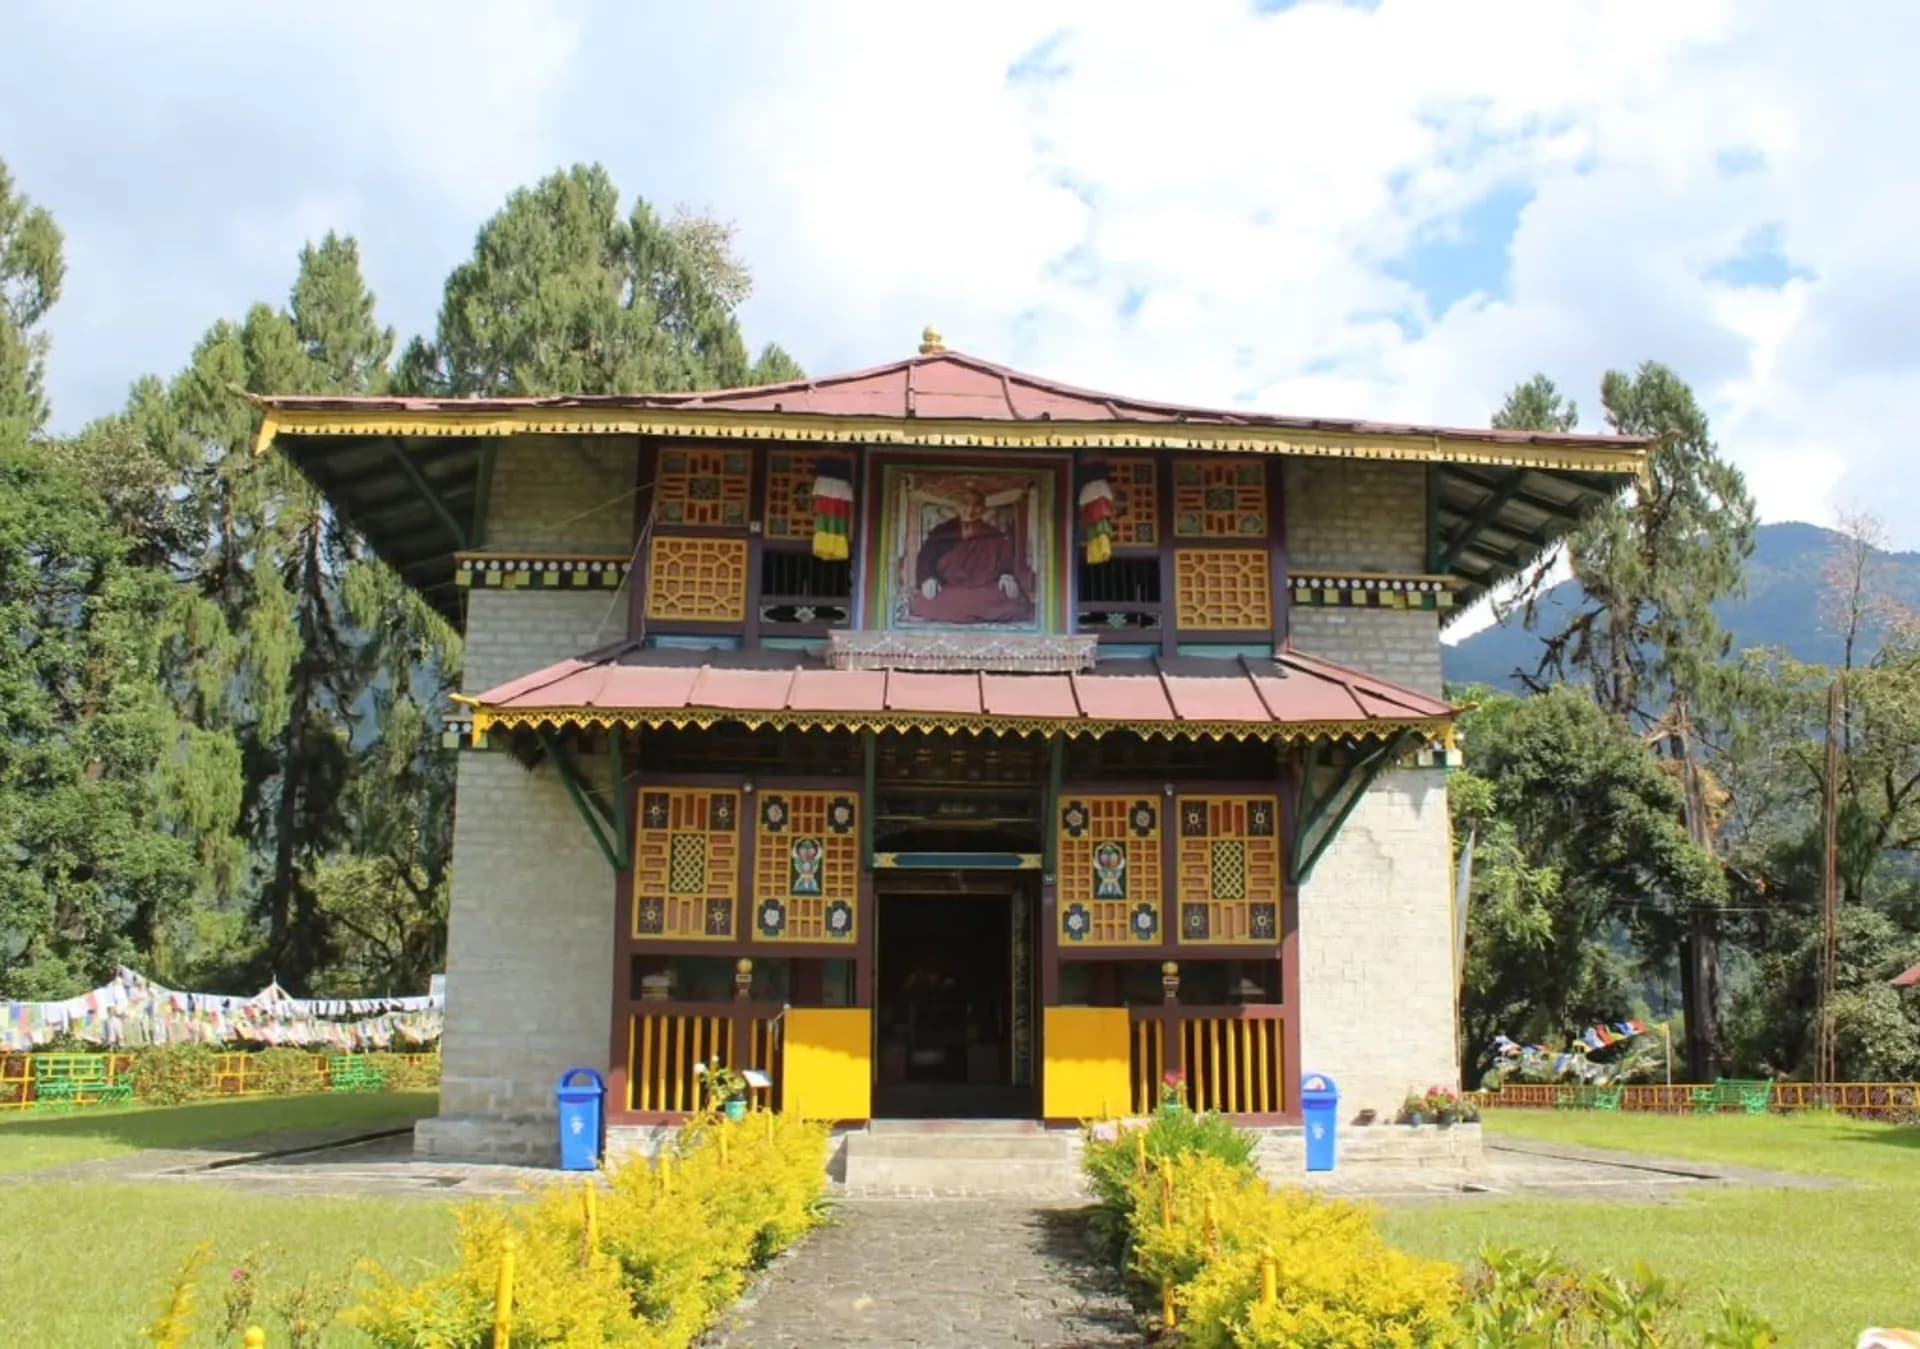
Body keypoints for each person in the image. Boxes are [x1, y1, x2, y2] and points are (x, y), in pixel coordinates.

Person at [910, 486, 1033, 624]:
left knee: (1017, 602)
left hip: (983, 589)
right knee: (923, 601)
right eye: (964, 504)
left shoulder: (995, 535)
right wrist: (928, 578)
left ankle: (959, 613)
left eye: (976, 505)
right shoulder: (941, 532)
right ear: (956, 507)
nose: (970, 510)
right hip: (949, 587)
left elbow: (1006, 562)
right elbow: (926, 560)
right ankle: (978, 613)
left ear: (983, 508)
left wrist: (1006, 576)